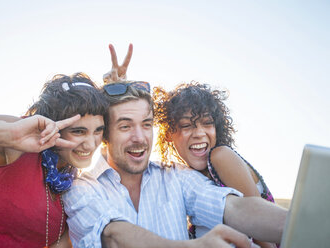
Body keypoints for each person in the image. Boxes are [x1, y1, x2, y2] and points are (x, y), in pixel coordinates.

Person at [63, 49, 287, 247]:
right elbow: (113, 236)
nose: (139, 137)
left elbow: (234, 208)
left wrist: (302, 225)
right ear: (105, 134)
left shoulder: (176, 177)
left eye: (147, 124)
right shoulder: (82, 188)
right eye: (125, 126)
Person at [0, 72, 109, 248]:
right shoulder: (19, 139)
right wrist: (10, 135)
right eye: (78, 131)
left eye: (98, 130)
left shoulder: (71, 181)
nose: (91, 144)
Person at [153, 83, 278, 247]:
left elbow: (263, 231)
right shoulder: (186, 178)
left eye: (207, 123)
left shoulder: (221, 157)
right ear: (169, 134)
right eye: (186, 125)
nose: (199, 133)